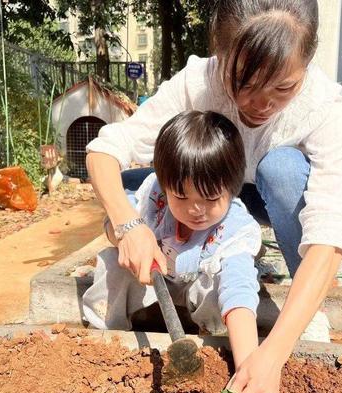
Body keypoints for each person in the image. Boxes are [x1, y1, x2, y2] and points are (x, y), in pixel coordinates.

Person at [85, 0, 342, 393]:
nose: (260, 104)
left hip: (270, 194)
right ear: (220, 55)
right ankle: (167, 242)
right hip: (207, 181)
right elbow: (105, 150)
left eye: (282, 88)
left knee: (282, 170)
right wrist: (128, 225)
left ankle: (304, 307)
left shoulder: (323, 107)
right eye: (244, 82)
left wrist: (271, 356)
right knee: (142, 186)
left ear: (306, 64)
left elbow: (329, 233)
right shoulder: (198, 82)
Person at [83, 111, 261, 369]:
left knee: (219, 286)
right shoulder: (153, 195)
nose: (196, 210)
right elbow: (114, 225)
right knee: (113, 262)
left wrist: (248, 366)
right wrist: (124, 237)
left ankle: (215, 342)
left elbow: (239, 290)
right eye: (181, 196)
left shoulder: (235, 228)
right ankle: (104, 336)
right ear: (165, 186)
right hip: (153, 279)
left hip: (196, 285)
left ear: (232, 188)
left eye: (211, 199)